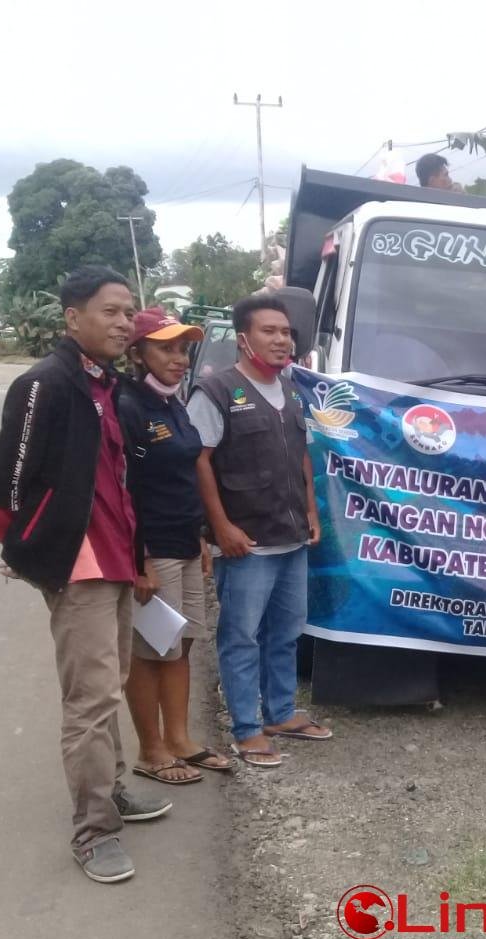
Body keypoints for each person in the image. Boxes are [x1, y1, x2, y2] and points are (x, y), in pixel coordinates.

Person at [0, 266, 170, 884]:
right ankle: (93, 831)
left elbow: (115, 477)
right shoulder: (46, 383)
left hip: (115, 557)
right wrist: (29, 549)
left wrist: (134, 554)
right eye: (110, 311)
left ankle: (111, 788)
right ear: (72, 317)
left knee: (109, 684)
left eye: (129, 312)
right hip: (78, 565)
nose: (124, 322)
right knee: (90, 700)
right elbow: (4, 483)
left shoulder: (105, 384)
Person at [187, 295, 329, 768]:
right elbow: (198, 460)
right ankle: (246, 729)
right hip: (245, 544)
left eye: (286, 332)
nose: (281, 340)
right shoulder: (216, 392)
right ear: (244, 339)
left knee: (286, 633)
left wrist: (310, 511)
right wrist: (219, 526)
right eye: (269, 331)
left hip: (291, 537)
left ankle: (280, 714)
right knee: (241, 636)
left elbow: (301, 454)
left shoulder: (290, 390)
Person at [118, 308, 233, 784]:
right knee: (150, 651)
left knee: (180, 645)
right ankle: (152, 750)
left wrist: (200, 537)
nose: (179, 358)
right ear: (137, 353)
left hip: (184, 543)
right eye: (165, 348)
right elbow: (123, 490)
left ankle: (181, 740)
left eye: (183, 349)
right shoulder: (128, 405)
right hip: (153, 550)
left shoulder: (173, 403)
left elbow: (184, 477)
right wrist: (137, 560)